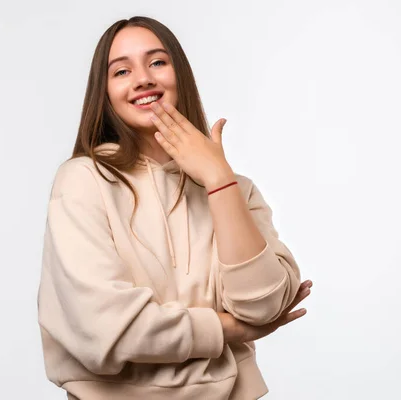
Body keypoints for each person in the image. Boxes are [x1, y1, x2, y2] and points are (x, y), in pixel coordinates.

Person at [37, 16, 312, 400]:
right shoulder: (84, 180)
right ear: (105, 92)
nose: (143, 78)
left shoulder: (235, 189)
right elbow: (104, 328)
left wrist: (219, 180)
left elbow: (263, 304)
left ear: (179, 75)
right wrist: (227, 331)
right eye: (121, 70)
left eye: (157, 62)